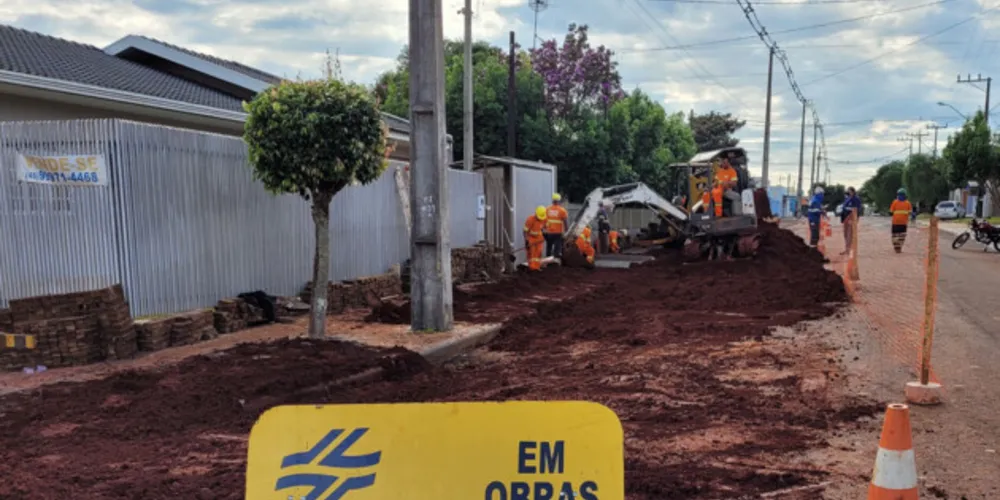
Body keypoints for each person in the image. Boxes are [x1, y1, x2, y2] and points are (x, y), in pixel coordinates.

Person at [544, 193, 569, 258]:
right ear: (559, 201)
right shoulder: (562, 210)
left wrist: (544, 230)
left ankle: (547, 261)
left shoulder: (547, 209)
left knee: (549, 247)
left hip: (548, 232)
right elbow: (565, 222)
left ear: (553, 200)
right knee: (557, 248)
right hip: (558, 233)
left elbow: (544, 220)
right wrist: (567, 231)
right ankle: (555, 262)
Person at [523, 206, 547, 271]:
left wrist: (546, 234)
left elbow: (545, 228)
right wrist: (526, 240)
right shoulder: (530, 219)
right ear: (536, 214)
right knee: (532, 253)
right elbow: (525, 231)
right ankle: (531, 267)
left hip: (539, 238)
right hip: (531, 238)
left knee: (539, 252)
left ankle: (537, 267)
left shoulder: (544, 219)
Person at [889, 188, 913, 253]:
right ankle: (899, 247)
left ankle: (896, 247)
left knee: (895, 235)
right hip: (903, 223)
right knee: (902, 235)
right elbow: (910, 212)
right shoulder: (908, 203)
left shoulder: (895, 202)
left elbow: (891, 212)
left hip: (895, 222)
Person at [840, 186, 862, 255]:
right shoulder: (848, 199)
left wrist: (854, 219)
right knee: (846, 235)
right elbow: (844, 208)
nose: (848, 192)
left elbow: (857, 210)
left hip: (851, 219)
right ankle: (847, 249)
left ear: (853, 191)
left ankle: (850, 250)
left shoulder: (856, 199)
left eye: (849, 191)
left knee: (850, 235)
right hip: (846, 219)